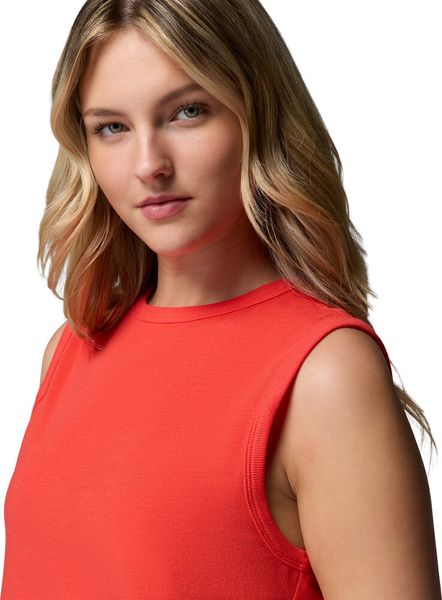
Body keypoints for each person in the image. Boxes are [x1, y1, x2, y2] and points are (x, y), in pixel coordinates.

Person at [1, 1, 440, 598]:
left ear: (257, 114)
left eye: (187, 112)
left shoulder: (325, 374)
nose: (149, 165)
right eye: (112, 127)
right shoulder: (71, 350)